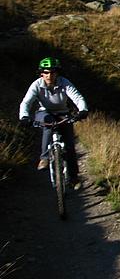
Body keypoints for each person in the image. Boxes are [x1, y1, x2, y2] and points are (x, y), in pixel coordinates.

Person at [19, 57, 89, 190]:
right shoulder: (36, 85)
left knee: (70, 146)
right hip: (44, 112)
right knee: (48, 124)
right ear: (41, 73)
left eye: (52, 72)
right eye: (46, 72)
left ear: (57, 73)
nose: (49, 75)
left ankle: (74, 178)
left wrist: (83, 110)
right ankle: (44, 158)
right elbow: (26, 102)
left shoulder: (65, 83)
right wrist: (24, 116)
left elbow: (77, 97)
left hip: (63, 113)